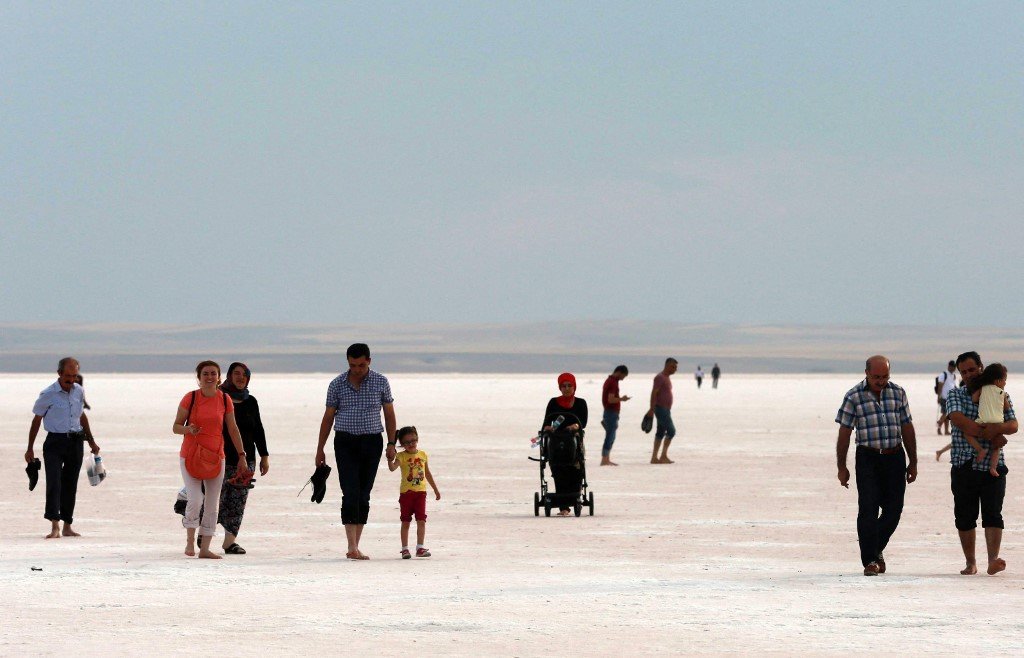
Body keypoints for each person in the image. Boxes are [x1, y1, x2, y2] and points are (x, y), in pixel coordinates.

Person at [835, 355, 918, 576]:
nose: (881, 381)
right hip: (868, 458)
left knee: (894, 510)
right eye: (876, 377)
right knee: (868, 509)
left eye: (885, 376)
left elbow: (907, 427)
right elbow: (844, 433)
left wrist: (914, 461)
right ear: (866, 373)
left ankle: (875, 547)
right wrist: (841, 466)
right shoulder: (854, 396)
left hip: (894, 456)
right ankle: (870, 560)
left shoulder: (898, 393)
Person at [315, 343, 397, 560]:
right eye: (353, 365)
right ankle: (351, 545)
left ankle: (356, 544)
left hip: (372, 442)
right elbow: (328, 417)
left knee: (364, 493)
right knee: (350, 491)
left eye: (361, 365)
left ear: (369, 361)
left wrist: (391, 443)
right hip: (345, 441)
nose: (357, 369)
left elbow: (389, 414)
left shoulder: (381, 381)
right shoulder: (337, 384)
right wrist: (320, 448)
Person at [946, 352, 1017, 576]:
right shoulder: (955, 395)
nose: (968, 375)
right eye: (963, 372)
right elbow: (960, 421)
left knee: (993, 514)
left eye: (972, 370)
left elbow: (1013, 423)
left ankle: (993, 560)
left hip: (992, 465)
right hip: (963, 463)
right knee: (965, 516)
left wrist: (998, 430)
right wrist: (993, 435)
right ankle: (970, 562)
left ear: (981, 368)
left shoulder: (999, 393)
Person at [173, 360, 248, 559]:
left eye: (213, 373)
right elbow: (176, 426)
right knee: (196, 499)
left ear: (218, 377)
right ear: (199, 378)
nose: (209, 377)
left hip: (216, 456)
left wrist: (242, 455)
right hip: (191, 454)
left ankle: (205, 548)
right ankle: (190, 542)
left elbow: (232, 429)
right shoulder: (191, 398)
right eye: (205, 374)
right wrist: (188, 429)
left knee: (212, 503)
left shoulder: (224, 399)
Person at [25, 357, 101, 539]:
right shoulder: (48, 394)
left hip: (75, 442)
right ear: (59, 373)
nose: (71, 380)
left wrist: (91, 441)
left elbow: (82, 417)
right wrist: (30, 448)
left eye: (74, 376)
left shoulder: (79, 391)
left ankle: (67, 525)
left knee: (70, 484)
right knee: (54, 482)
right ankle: (54, 526)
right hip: (54, 443)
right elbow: (36, 420)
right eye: (68, 376)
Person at [215, 362, 270, 554]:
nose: (240, 377)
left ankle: (229, 542)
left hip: (246, 460)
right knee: (216, 499)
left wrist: (264, 455)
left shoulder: (250, 401)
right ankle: (203, 535)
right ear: (229, 376)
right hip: (220, 458)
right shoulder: (219, 398)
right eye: (236, 373)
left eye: (244, 374)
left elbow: (258, 429)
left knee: (238, 501)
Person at [387, 426, 440, 558]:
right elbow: (393, 468)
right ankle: (405, 548)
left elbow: (427, 473)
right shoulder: (401, 456)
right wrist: (389, 459)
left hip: (421, 493)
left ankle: (420, 547)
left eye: (413, 440)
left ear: (417, 439)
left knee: (421, 520)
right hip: (406, 494)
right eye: (407, 442)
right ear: (402, 444)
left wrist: (435, 489)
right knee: (405, 521)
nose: (411, 444)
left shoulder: (422, 455)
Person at [542, 372, 588, 515]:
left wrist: (575, 426)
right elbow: (546, 422)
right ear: (560, 387)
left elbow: (583, 422)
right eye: (564, 386)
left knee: (574, 469)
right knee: (558, 469)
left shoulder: (580, 403)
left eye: (570, 385)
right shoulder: (553, 402)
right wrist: (548, 428)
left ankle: (574, 497)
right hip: (556, 440)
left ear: (574, 386)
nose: (567, 388)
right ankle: (563, 507)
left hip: (573, 439)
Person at [645, 358, 678, 464]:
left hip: (666, 409)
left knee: (660, 432)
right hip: (661, 409)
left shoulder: (666, 378)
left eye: (676, 367)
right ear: (667, 365)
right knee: (671, 431)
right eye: (673, 367)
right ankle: (663, 455)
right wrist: (651, 409)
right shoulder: (660, 377)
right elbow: (654, 393)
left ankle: (654, 457)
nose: (675, 369)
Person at [600, 365, 630, 466]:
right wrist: (622, 399)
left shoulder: (610, 380)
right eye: (623, 376)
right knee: (610, 435)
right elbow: (611, 399)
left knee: (611, 436)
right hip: (610, 412)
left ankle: (606, 458)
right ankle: (604, 459)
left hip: (611, 412)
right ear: (619, 372)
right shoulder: (612, 382)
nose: (623, 378)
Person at [936, 360, 957, 435]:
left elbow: (953, 385)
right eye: (953, 367)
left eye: (955, 367)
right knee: (946, 413)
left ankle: (945, 430)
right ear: (949, 366)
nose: (954, 369)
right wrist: (939, 396)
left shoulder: (953, 375)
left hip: (951, 397)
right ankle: (939, 423)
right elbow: (940, 386)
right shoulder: (943, 374)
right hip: (944, 397)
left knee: (947, 415)